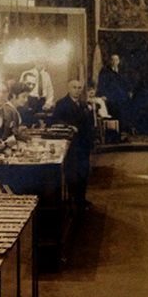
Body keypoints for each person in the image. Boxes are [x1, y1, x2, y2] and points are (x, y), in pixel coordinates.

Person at [51, 78, 95, 207]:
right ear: (68, 89)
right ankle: (71, 199)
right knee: (71, 172)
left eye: (79, 88)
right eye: (74, 87)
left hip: (83, 143)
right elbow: (55, 121)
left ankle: (81, 199)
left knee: (84, 171)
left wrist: (90, 141)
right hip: (70, 144)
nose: (77, 90)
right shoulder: (61, 103)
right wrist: (68, 126)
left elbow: (89, 124)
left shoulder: (84, 104)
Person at [96, 54, 133, 138]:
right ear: (110, 61)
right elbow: (101, 84)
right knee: (113, 114)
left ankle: (122, 133)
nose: (114, 62)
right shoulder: (105, 71)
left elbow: (127, 82)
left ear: (119, 61)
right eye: (112, 60)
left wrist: (129, 91)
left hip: (121, 96)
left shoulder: (122, 71)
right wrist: (102, 95)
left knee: (122, 114)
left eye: (116, 60)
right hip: (111, 96)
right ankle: (114, 134)